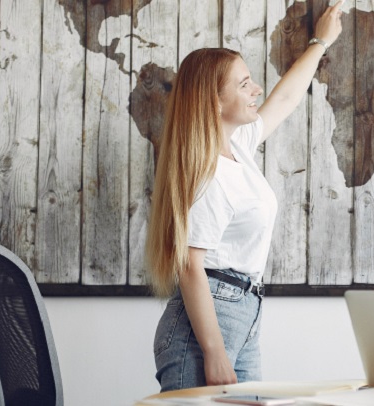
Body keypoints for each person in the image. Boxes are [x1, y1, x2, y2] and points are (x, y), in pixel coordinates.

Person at [145, 1, 344, 391]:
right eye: (244, 84)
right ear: (213, 102)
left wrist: (321, 41)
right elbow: (189, 264)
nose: (256, 90)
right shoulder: (208, 173)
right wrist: (214, 350)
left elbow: (284, 100)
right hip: (207, 323)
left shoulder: (236, 150)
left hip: (243, 311)